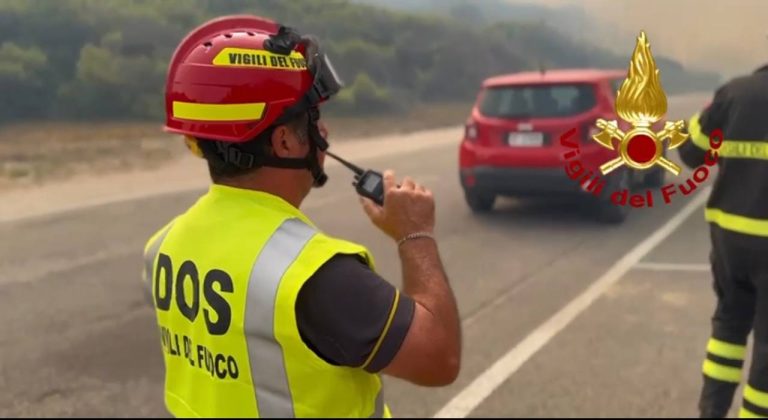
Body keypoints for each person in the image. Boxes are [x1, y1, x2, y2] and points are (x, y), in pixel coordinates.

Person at [141, 15, 461, 418]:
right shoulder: (316, 275)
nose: (323, 131)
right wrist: (416, 235)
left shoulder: (163, 247)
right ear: (284, 141)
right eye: (312, 119)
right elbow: (440, 357)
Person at [678, 62, 768, 418]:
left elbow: (691, 152)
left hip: (730, 242)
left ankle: (711, 412)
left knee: (729, 327)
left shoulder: (735, 92)